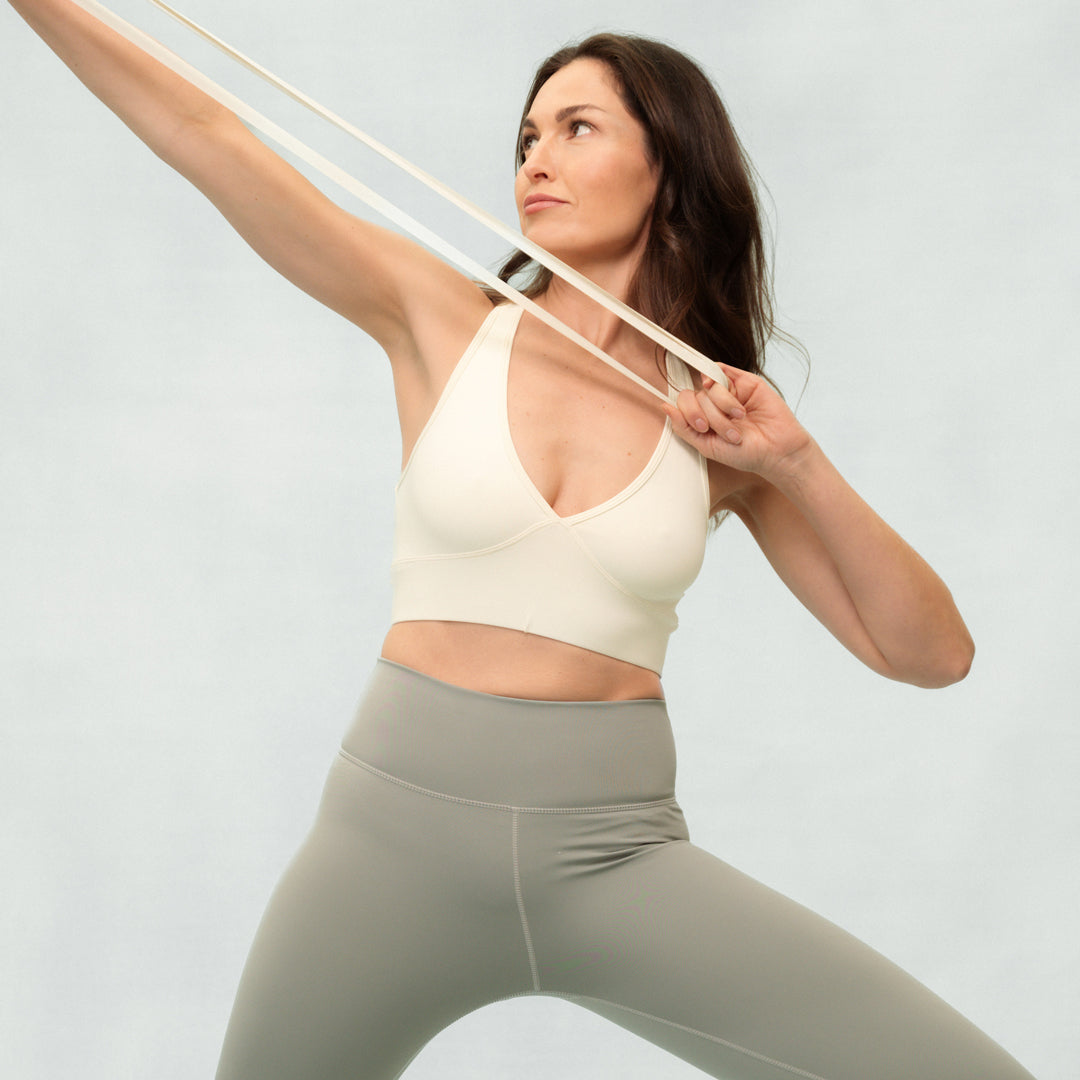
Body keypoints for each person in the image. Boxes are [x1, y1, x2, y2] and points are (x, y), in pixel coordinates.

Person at [9, 2, 1038, 1078]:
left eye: (578, 128)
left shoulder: (723, 428)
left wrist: (798, 465)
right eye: (527, 138)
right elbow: (207, 136)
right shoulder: (435, 313)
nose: (536, 158)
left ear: (667, 163)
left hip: (614, 853)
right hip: (388, 841)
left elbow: (931, 656)